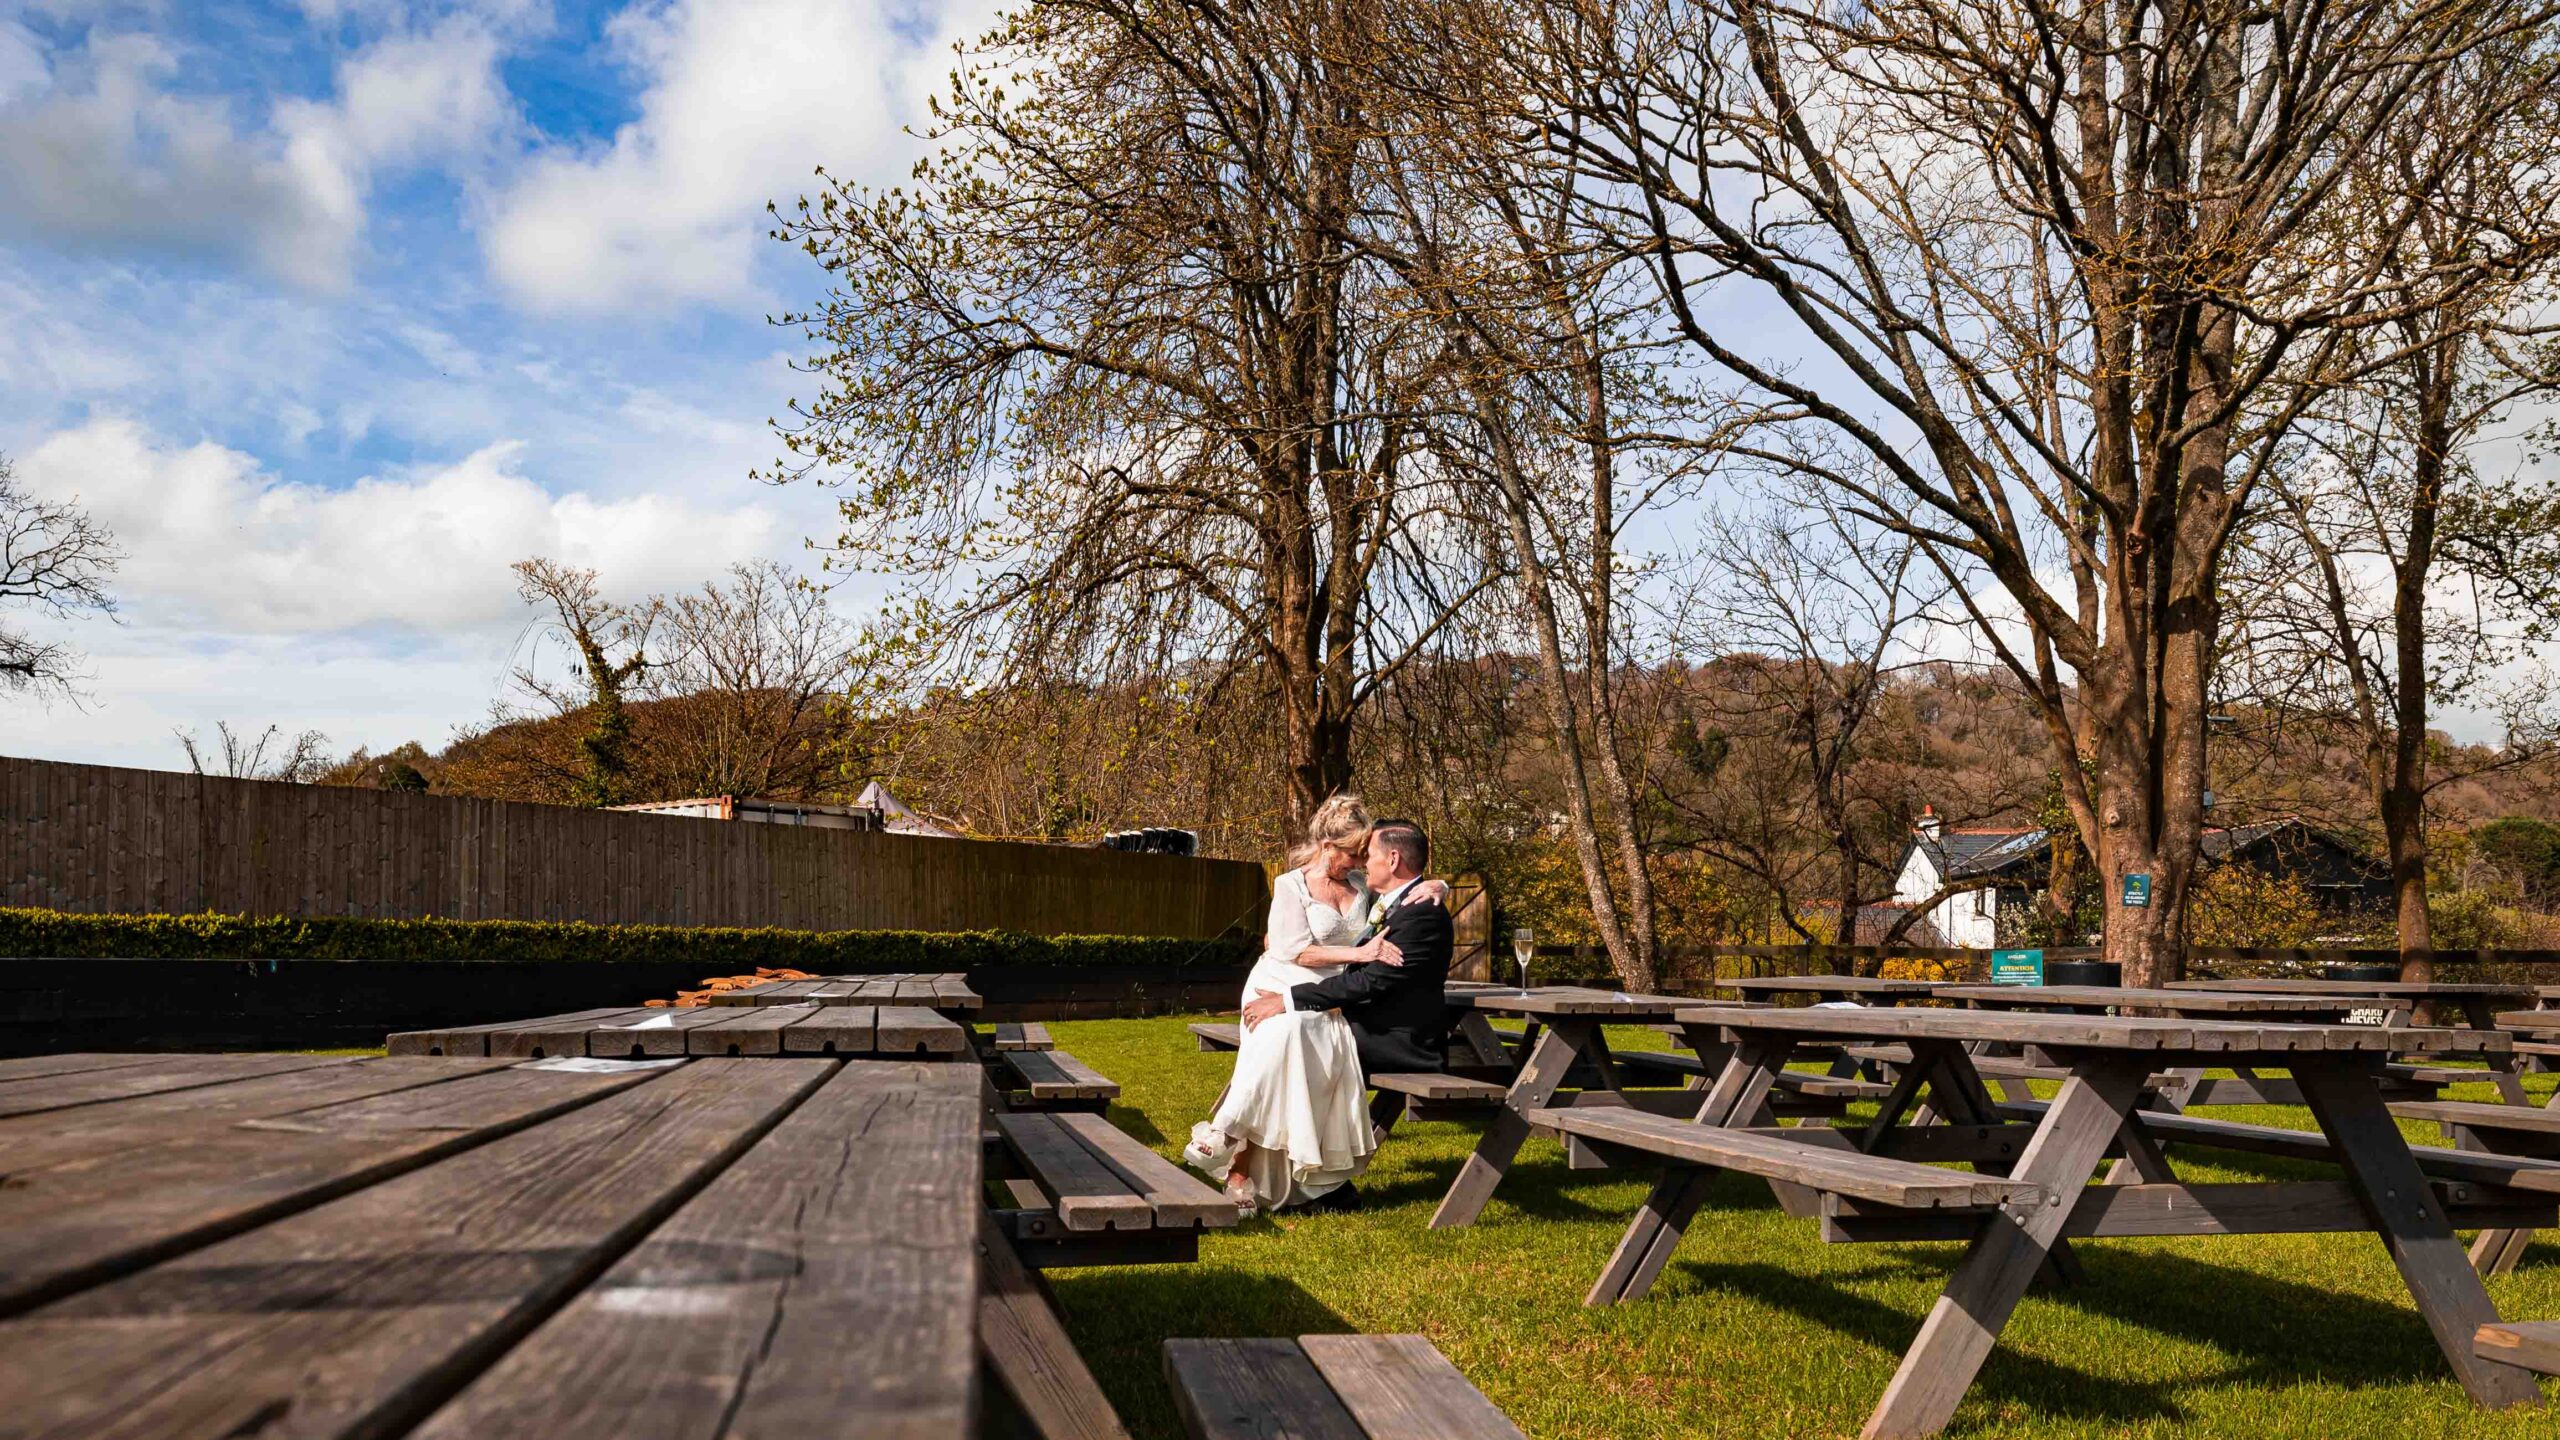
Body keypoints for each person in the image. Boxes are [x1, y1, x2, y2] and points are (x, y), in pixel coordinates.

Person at [1182, 796, 1443, 1214]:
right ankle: (1234, 1149)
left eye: (1365, 854)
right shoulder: (1290, 885)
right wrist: (1361, 956)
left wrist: (1437, 883)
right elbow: (1294, 952)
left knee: (1292, 1037)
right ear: (1328, 847)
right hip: (1282, 979)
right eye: (1354, 853)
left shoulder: (1362, 886)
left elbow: (1403, 889)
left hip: (1329, 993)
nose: (1359, 862)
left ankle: (1234, 1152)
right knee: (1285, 1032)